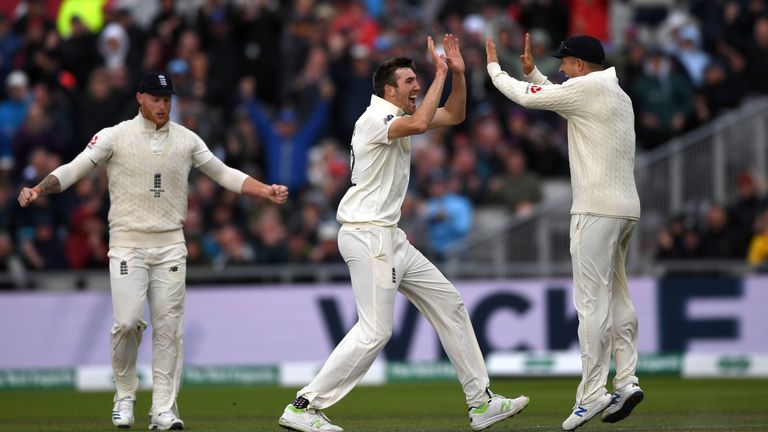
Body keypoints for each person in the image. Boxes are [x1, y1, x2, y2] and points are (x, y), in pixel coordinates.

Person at [277, 34, 529, 432]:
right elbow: (425, 119)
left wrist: (458, 75)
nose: (416, 87)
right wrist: (440, 72)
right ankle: (304, 406)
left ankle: (480, 402)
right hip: (367, 234)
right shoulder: (375, 118)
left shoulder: (397, 117)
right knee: (375, 331)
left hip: (390, 236)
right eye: (410, 82)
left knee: (450, 305)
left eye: (418, 80)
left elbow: (454, 115)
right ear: (389, 90)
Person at [18, 71, 289, 430]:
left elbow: (223, 174)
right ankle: (125, 394)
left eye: (168, 99)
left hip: (170, 245)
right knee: (127, 322)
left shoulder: (187, 140)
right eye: (157, 99)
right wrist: (38, 189)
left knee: (168, 328)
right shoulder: (115, 136)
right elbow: (75, 168)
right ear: (140, 98)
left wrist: (265, 191)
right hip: (128, 243)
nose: (164, 105)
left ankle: (164, 408)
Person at [486, 34, 644, 431]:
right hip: (625, 209)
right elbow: (563, 97)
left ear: (581, 64)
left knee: (591, 303)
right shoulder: (614, 92)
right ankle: (625, 380)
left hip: (595, 208)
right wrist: (535, 72)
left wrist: (492, 69)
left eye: (565, 62)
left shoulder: (586, 89)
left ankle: (592, 394)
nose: (560, 67)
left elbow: (527, 97)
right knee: (617, 295)